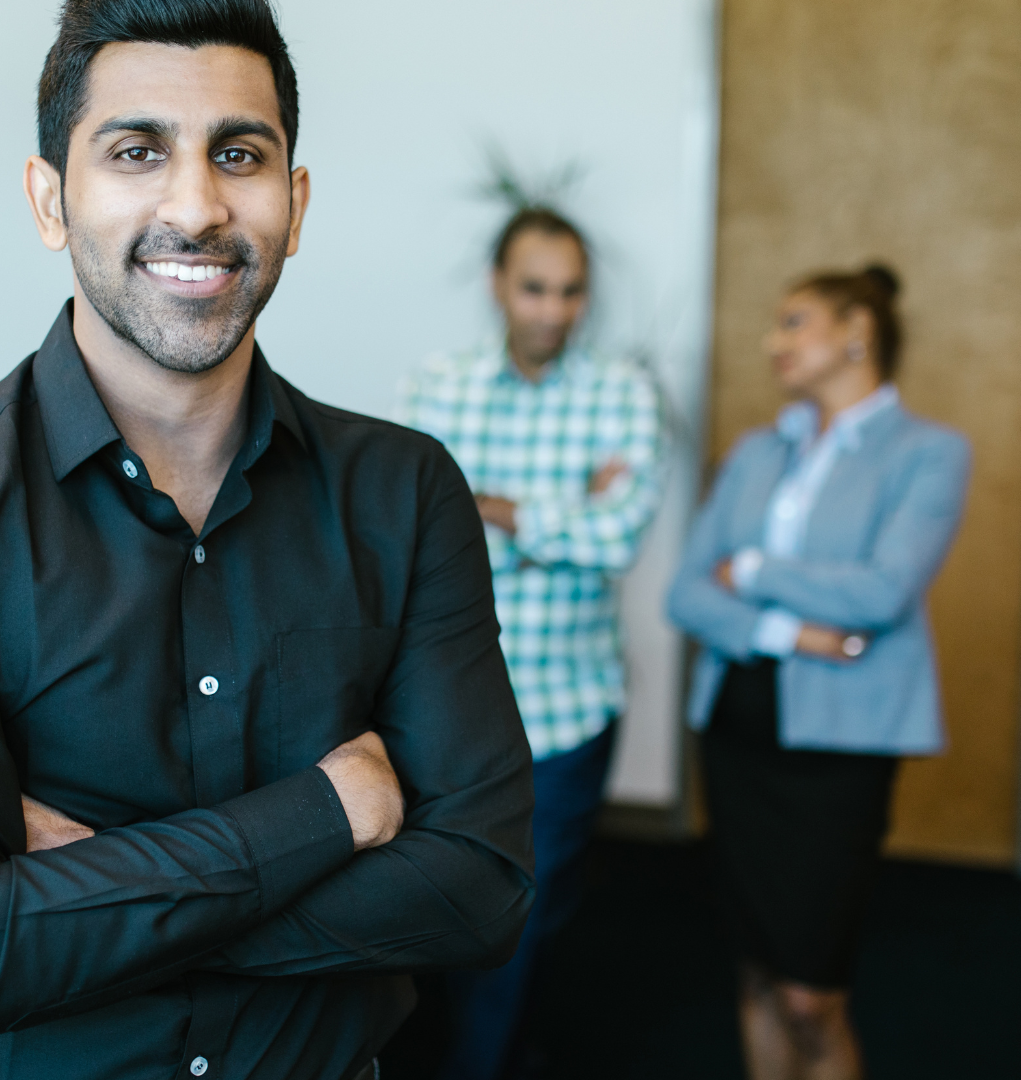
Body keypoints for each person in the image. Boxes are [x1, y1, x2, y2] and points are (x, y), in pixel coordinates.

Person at [0, 4, 534, 1078]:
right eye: (136, 151)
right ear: (51, 200)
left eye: (238, 154)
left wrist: (89, 909)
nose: (195, 207)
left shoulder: (405, 489)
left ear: (295, 201)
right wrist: (329, 813)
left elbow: (478, 891)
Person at [668, 265, 971, 1080]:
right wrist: (791, 631)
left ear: (857, 334)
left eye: (794, 322)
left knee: (813, 995)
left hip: (840, 748)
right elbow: (687, 593)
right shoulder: (757, 450)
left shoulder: (930, 453)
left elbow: (882, 591)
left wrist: (757, 569)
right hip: (736, 726)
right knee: (757, 969)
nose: (775, 342)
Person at [395, 205, 665, 1080]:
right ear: (498, 287)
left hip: (565, 712)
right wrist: (560, 512)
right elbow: (406, 532)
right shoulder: (438, 387)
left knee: (522, 919)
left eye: (571, 291)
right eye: (535, 288)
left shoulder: (621, 392)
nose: (553, 309)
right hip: (445, 711)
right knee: (428, 906)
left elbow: (617, 539)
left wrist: (489, 504)